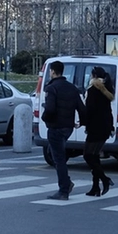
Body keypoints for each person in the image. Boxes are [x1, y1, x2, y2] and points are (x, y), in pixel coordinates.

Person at [41, 61, 84, 200]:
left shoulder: (51, 88)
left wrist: (44, 117)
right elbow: (81, 108)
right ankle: (66, 182)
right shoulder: (72, 88)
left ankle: (64, 189)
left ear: (53, 72)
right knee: (53, 153)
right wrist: (82, 122)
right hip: (68, 127)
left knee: (58, 158)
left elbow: (50, 109)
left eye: (50, 71)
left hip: (55, 127)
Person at [82, 66, 115, 197]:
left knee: (87, 155)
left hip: (95, 128)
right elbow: (108, 111)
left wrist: (84, 123)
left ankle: (105, 179)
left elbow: (89, 111)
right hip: (105, 127)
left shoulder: (92, 90)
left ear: (94, 76)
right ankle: (95, 187)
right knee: (94, 156)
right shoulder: (106, 90)